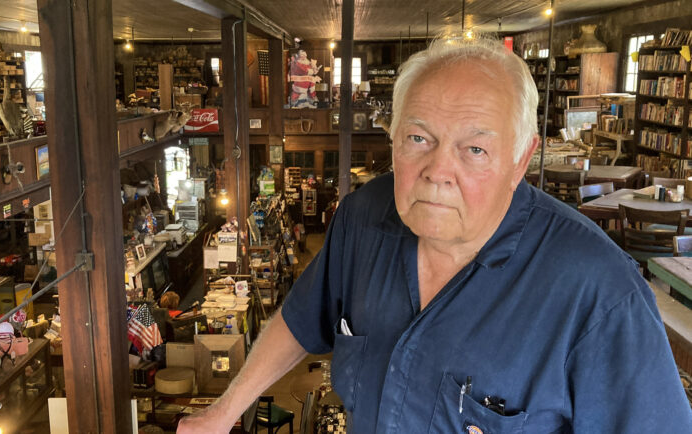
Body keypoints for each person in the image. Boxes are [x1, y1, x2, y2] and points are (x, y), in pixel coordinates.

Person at [177, 38, 692, 433]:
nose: (437, 171)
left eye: (474, 150)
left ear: (521, 160)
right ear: (395, 138)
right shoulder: (362, 219)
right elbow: (299, 320)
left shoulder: (600, 294)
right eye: (419, 138)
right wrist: (223, 413)